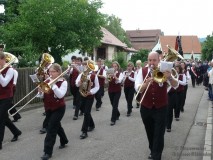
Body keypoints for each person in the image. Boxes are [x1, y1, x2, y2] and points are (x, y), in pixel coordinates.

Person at [134, 51, 178, 160]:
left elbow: (176, 85)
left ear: (159, 60)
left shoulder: (164, 70)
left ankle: (156, 155)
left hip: (161, 107)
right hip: (146, 107)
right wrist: (145, 84)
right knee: (150, 131)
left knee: (159, 132)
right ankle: (153, 150)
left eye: (154, 60)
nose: (151, 62)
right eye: (150, 60)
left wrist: (170, 78)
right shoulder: (142, 71)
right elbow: (137, 88)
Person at [40, 63, 69, 160]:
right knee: (57, 125)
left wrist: (53, 84)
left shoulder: (63, 82)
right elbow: (42, 96)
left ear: (58, 72)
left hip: (59, 108)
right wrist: (40, 92)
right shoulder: (47, 80)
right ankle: (64, 140)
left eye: (52, 71)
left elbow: (60, 95)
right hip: (48, 107)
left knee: (51, 127)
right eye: (49, 71)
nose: (50, 73)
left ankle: (47, 151)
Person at [0, 52, 22, 150]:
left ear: (2, 60)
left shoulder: (10, 70)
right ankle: (16, 132)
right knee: (4, 118)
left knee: (0, 118)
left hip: (6, 97)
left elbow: (4, 83)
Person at [75, 61, 99, 139]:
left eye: (88, 65)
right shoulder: (81, 74)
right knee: (84, 111)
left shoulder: (94, 76)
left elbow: (97, 87)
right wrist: (79, 82)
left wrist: (91, 92)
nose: (87, 67)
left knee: (87, 113)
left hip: (89, 96)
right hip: (81, 94)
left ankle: (84, 131)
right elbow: (76, 84)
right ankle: (92, 125)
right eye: (85, 65)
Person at [108, 61, 123, 126]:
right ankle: (118, 114)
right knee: (112, 104)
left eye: (115, 66)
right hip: (110, 90)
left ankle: (113, 120)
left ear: (117, 67)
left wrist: (114, 75)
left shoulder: (120, 73)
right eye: (113, 66)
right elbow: (107, 82)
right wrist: (108, 77)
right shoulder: (109, 73)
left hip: (117, 91)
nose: (114, 67)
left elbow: (119, 81)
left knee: (114, 105)